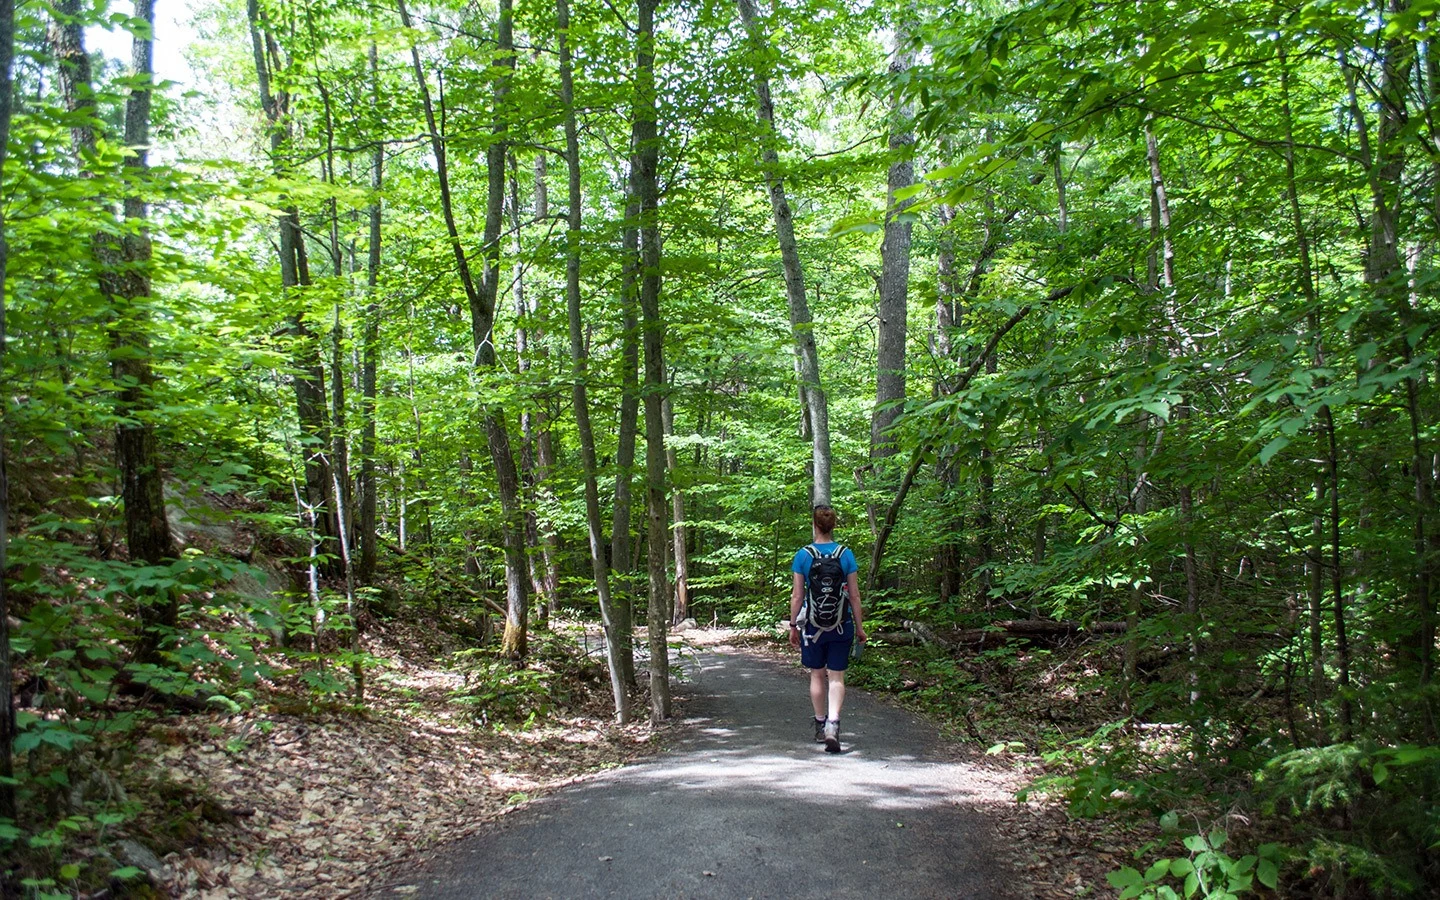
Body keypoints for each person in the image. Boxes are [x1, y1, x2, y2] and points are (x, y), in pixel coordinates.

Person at [789, 503, 865, 753]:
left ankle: (821, 724)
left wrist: (793, 626)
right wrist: (860, 627)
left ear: (814, 525)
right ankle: (834, 724)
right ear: (833, 526)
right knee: (837, 676)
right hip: (841, 625)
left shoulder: (803, 555)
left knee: (816, 673)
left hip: (812, 626)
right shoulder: (846, 554)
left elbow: (797, 597)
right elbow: (854, 596)